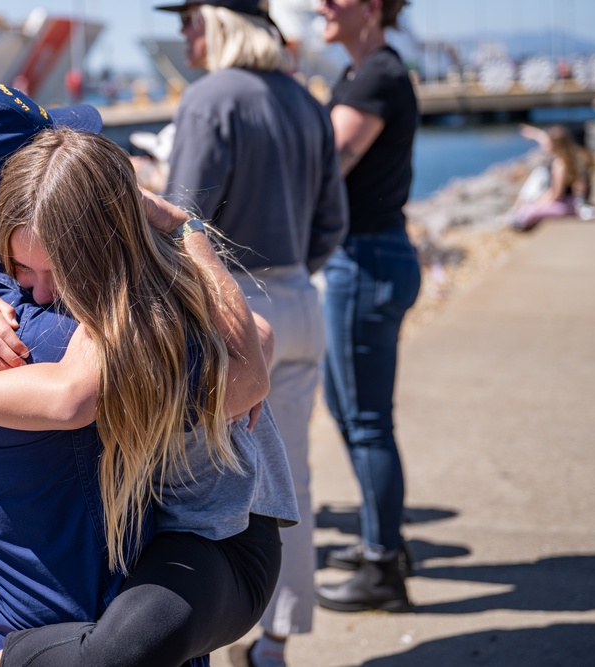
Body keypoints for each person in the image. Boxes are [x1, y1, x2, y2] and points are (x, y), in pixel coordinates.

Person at [0, 83, 299, 667]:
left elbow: (78, 395)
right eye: (23, 267)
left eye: (48, 269)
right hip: (158, 516)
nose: (37, 289)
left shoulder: (121, 282)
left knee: (121, 650)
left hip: (223, 527)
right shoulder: (7, 279)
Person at [152, 3, 348, 666]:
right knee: (292, 485)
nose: (183, 31)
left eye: (189, 17)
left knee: (205, 491)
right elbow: (333, 221)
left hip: (236, 312)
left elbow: (181, 220)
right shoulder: (307, 100)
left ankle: (207, 635)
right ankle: (276, 640)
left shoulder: (211, 99)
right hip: (299, 297)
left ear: (220, 21)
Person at [311, 0, 420, 615]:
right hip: (364, 258)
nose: (322, 4)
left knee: (368, 419)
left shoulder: (378, 72)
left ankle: (384, 567)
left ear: (372, 7)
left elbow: (330, 164)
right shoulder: (360, 72)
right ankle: (386, 544)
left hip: (368, 259)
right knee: (348, 409)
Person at [509, 124, 586, 232]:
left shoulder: (559, 164)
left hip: (565, 206)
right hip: (571, 203)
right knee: (529, 208)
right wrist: (533, 133)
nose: (544, 145)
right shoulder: (569, 158)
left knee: (529, 212)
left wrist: (542, 203)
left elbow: (557, 194)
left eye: (547, 142)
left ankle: (523, 226)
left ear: (554, 145)